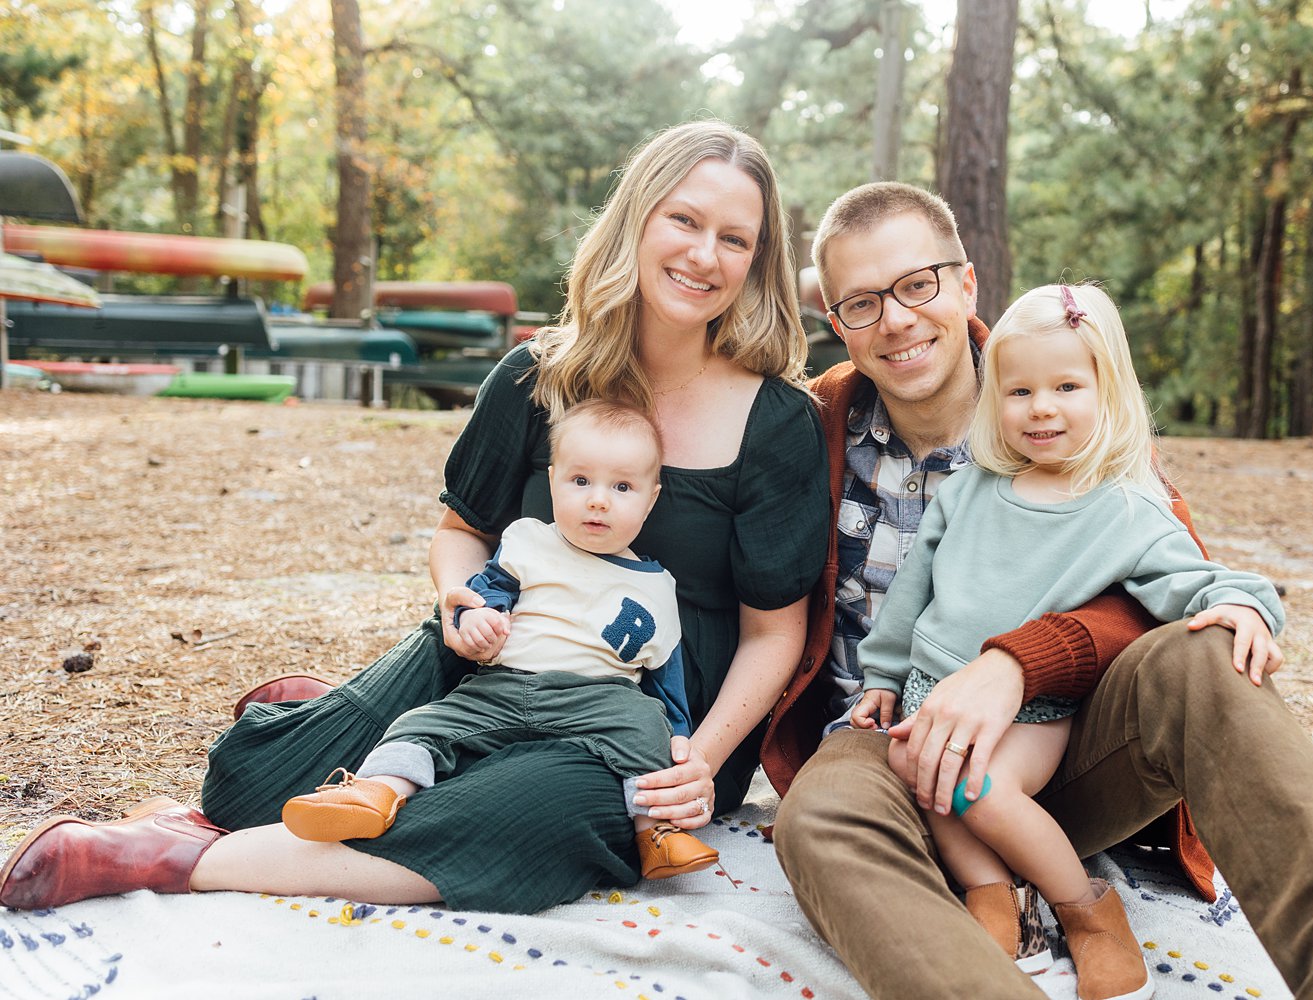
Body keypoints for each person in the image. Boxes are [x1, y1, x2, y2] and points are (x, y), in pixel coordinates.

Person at [0, 120, 829, 914]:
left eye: (735, 238)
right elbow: (462, 533)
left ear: (758, 262)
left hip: (642, 727)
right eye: (684, 219)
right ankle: (334, 715)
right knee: (249, 783)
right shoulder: (533, 378)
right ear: (636, 221)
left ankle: (166, 857)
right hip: (499, 664)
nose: (703, 254)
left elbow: (773, 634)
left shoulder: (773, 421)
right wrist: (462, 602)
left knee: (504, 821)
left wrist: (705, 759)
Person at [760, 182, 1313, 1000]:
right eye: (860, 303)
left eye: (917, 284)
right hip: (891, 730)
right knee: (821, 818)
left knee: (1206, 657)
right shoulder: (811, 428)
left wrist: (1020, 664)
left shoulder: (1071, 396)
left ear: (965, 285)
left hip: (1062, 737)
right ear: (836, 321)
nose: (894, 319)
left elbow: (1172, 584)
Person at [849, 282, 1285, 1000]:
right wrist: (882, 678)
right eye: (1019, 391)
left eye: (1066, 386)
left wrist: (1241, 602)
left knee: (977, 793)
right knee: (924, 782)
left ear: (1108, 392)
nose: (1040, 406)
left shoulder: (1126, 506)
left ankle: (1086, 908)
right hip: (931, 691)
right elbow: (911, 596)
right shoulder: (969, 490)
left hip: (1034, 711)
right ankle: (993, 894)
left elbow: (1194, 579)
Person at [278, 399, 719, 880]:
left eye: (622, 487)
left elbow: (664, 676)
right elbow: (485, 592)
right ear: (552, 481)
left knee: (646, 727)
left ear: (651, 499)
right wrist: (475, 619)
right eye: (580, 481)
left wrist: (679, 737)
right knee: (424, 722)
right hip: (505, 684)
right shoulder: (531, 542)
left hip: (599, 698)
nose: (598, 500)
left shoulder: (656, 586)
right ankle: (374, 790)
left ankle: (655, 831)